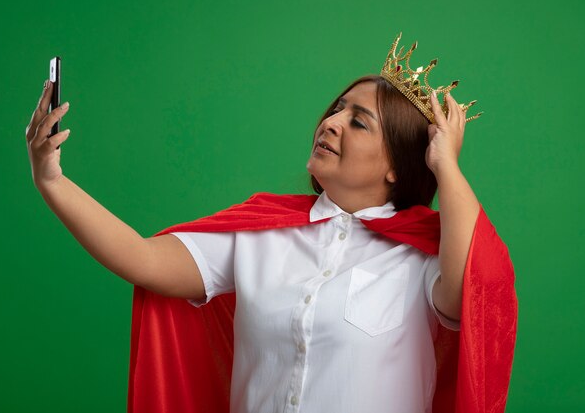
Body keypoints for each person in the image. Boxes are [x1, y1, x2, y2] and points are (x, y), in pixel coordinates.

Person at [26, 35, 516, 413]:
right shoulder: (259, 235)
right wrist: (52, 179)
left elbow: (478, 285)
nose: (331, 122)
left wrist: (446, 165)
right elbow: (142, 257)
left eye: (359, 122)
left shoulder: (422, 262)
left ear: (397, 166)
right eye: (336, 109)